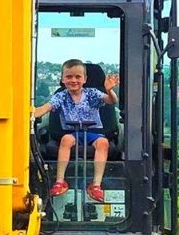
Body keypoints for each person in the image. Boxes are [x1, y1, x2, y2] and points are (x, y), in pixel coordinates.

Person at [33, 59, 120, 202]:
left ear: (85, 79)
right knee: (66, 140)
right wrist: (29, 113)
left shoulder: (93, 93)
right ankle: (60, 181)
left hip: (93, 132)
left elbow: (111, 101)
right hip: (73, 133)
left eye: (78, 77)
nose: (73, 80)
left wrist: (109, 90)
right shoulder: (61, 96)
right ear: (62, 79)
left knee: (103, 143)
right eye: (69, 77)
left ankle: (96, 185)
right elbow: (46, 108)